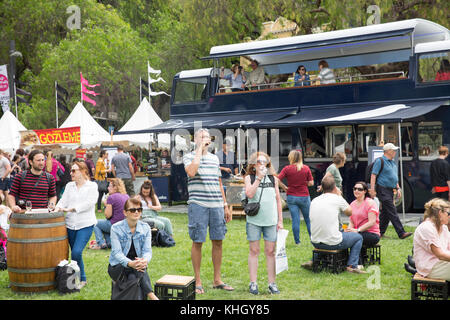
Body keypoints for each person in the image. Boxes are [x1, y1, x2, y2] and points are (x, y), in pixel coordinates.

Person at [183, 128, 233, 295]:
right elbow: (191, 171)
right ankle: (197, 281)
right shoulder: (188, 156)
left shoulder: (214, 159)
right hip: (198, 204)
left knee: (218, 241)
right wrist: (199, 150)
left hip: (217, 205)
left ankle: (217, 280)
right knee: (198, 241)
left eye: (207, 137)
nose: (205, 139)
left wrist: (225, 205)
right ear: (195, 140)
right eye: (202, 137)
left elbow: (219, 183)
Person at [302, 176, 366, 273]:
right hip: (332, 243)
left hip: (315, 242)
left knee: (328, 233)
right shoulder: (337, 199)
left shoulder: (314, 200)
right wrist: (339, 195)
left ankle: (313, 260)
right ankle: (352, 265)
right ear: (335, 187)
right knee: (358, 238)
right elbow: (349, 212)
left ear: (322, 187)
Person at [55, 160, 98, 289]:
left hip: (85, 223)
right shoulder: (69, 186)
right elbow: (63, 201)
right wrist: (56, 209)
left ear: (83, 172)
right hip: (70, 225)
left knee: (76, 252)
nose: (71, 173)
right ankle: (81, 279)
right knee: (75, 254)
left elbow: (90, 203)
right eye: (71, 171)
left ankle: (79, 279)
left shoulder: (92, 186)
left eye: (74, 171)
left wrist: (72, 209)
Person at [244, 151, 283, 295]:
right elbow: (249, 194)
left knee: (270, 252)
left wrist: (280, 220)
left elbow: (278, 199)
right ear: (253, 165)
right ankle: (253, 283)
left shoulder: (273, 179)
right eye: (259, 162)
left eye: (264, 161)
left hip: (271, 221)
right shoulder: (250, 177)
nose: (262, 164)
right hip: (254, 220)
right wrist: (258, 179)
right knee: (254, 251)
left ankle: (272, 283)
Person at [108, 197, 159, 300]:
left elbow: (147, 251)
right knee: (137, 271)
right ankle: (152, 295)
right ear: (125, 212)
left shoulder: (145, 228)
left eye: (139, 209)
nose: (136, 212)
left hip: (138, 266)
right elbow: (117, 253)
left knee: (134, 277)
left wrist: (144, 260)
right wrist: (130, 263)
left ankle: (149, 295)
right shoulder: (116, 228)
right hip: (117, 267)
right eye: (132, 210)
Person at [369, 143, 412, 239]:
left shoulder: (392, 162)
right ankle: (401, 232)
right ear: (388, 151)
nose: (395, 152)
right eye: (393, 150)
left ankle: (379, 232)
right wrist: (372, 190)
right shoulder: (380, 161)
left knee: (386, 212)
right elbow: (373, 175)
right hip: (382, 189)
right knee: (392, 210)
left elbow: (393, 176)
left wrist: (398, 188)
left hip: (390, 189)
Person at [278, 149, 314, 245]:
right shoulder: (306, 168)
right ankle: (312, 239)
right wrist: (303, 182)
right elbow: (311, 183)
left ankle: (297, 242)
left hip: (291, 196)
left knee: (295, 220)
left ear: (291, 158)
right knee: (308, 219)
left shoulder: (287, 169)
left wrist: (285, 187)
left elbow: (277, 180)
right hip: (304, 197)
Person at [413, 198, 450, 281]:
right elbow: (440, 254)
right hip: (430, 267)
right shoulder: (426, 228)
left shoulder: (443, 228)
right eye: (448, 213)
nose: (449, 216)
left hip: (441, 263)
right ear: (440, 213)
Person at [91, 178, 129, 250]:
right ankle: (109, 243)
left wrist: (106, 205)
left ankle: (100, 243)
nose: (107, 188)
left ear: (115, 187)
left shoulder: (111, 197)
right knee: (104, 225)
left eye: (109, 186)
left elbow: (108, 215)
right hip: (125, 225)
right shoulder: (126, 196)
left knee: (95, 223)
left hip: (114, 224)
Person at [347, 182, 380, 247]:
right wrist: (349, 230)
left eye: (359, 189)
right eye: (355, 189)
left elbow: (372, 222)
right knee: (343, 235)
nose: (356, 191)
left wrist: (358, 230)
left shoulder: (370, 203)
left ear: (365, 191)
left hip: (371, 233)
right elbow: (351, 222)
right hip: (357, 232)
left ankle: (357, 257)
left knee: (355, 238)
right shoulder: (352, 204)